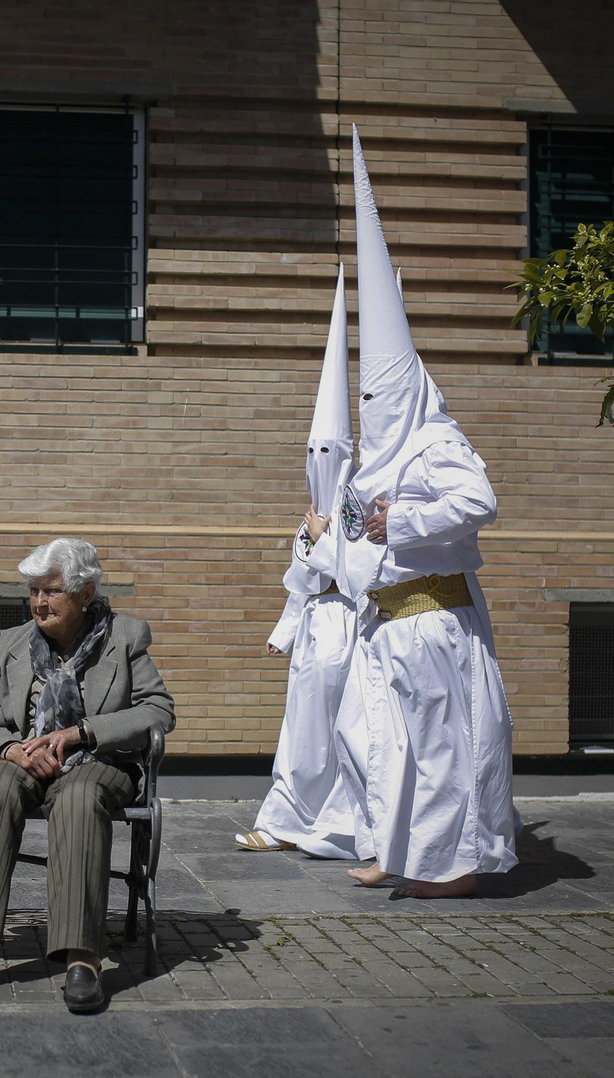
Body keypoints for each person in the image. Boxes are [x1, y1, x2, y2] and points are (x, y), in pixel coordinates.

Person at [308, 127, 518, 898]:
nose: (371, 407)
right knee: (388, 746)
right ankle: (398, 852)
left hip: (433, 620)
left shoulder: (434, 441)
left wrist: (398, 519)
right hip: (385, 623)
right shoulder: (378, 457)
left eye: (378, 396)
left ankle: (453, 864)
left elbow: (478, 502)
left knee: (443, 747)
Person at [0, 538, 175, 1012]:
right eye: (33, 591)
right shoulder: (10, 644)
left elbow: (159, 712)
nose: (38, 602)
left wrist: (82, 732)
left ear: (85, 593)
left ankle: (83, 958)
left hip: (99, 764)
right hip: (25, 763)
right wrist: (14, 750)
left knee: (77, 800)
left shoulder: (126, 638)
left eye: (51, 591)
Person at [237, 266, 365, 860]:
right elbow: (302, 583)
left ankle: (343, 823)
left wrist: (328, 537)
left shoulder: (362, 504)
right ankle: (286, 816)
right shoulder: (309, 513)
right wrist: (285, 630)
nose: (317, 459)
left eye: (327, 451)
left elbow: (362, 569)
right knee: (302, 731)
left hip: (352, 629)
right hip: (316, 629)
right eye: (310, 451)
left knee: (343, 731)